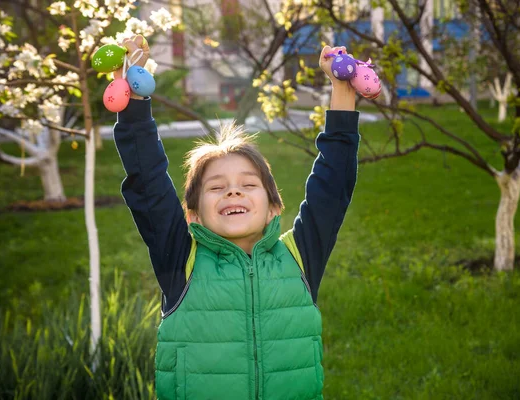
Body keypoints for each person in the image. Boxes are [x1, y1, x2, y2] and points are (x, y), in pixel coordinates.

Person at [113, 35, 360, 400]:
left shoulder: (299, 257)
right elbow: (148, 182)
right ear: (193, 216)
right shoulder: (181, 259)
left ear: (275, 207)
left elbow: (332, 185)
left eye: (248, 184)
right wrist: (134, 101)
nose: (233, 192)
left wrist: (342, 91)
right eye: (216, 188)